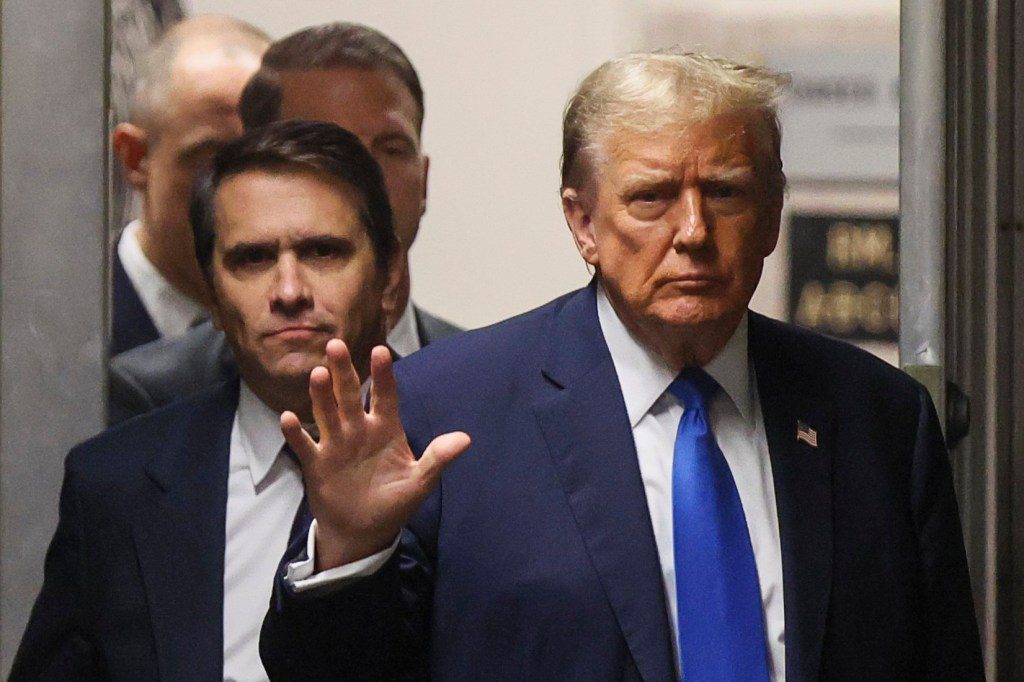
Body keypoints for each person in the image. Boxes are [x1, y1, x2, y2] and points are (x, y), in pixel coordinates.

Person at [259, 51, 984, 680]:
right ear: (583, 223)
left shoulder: (877, 418)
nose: (693, 233)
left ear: (770, 215)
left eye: (725, 192)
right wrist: (350, 553)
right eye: (652, 198)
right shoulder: (445, 411)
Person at [12, 121, 402, 680]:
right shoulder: (113, 487)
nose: (289, 291)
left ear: (389, 275)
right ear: (212, 296)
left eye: (322, 252)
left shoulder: (471, 456)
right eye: (252, 259)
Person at [108, 22, 461, 424]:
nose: (368, 176)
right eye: (325, 149)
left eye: (392, 149)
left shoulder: (492, 376)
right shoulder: (155, 397)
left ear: (424, 175)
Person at [110, 15, 269, 356]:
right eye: (212, 161)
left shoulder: (311, 331)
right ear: (135, 157)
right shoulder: (62, 328)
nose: (246, 191)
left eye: (267, 157)